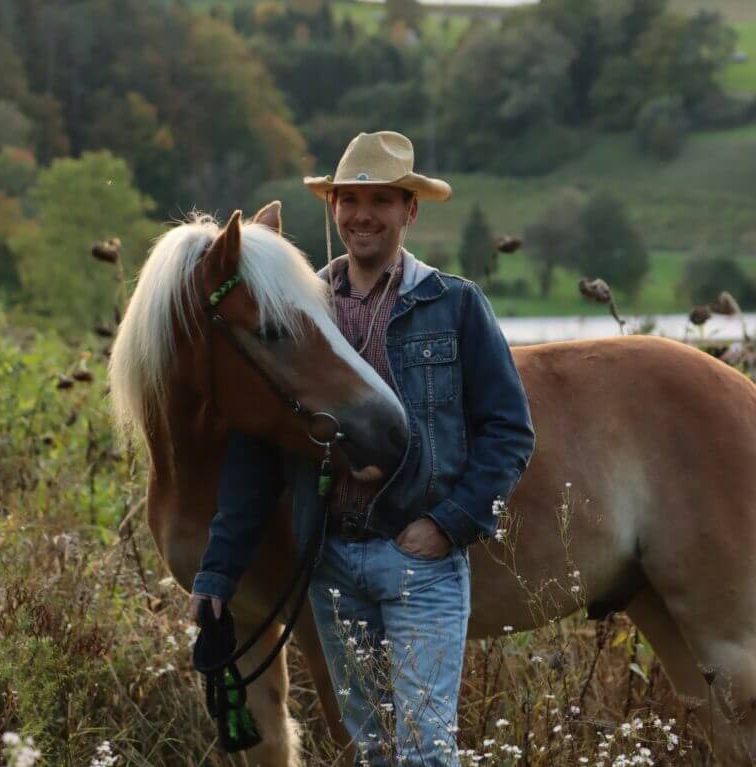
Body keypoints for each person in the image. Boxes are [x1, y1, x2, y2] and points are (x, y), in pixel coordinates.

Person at [191, 131, 535, 765]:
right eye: (350, 200)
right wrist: (216, 572)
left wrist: (448, 525)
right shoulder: (298, 308)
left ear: (410, 211)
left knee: (426, 752)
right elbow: (258, 450)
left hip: (422, 563)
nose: (363, 215)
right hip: (334, 564)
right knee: (370, 751)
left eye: (382, 199)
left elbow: (510, 432)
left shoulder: (453, 304)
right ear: (334, 209)